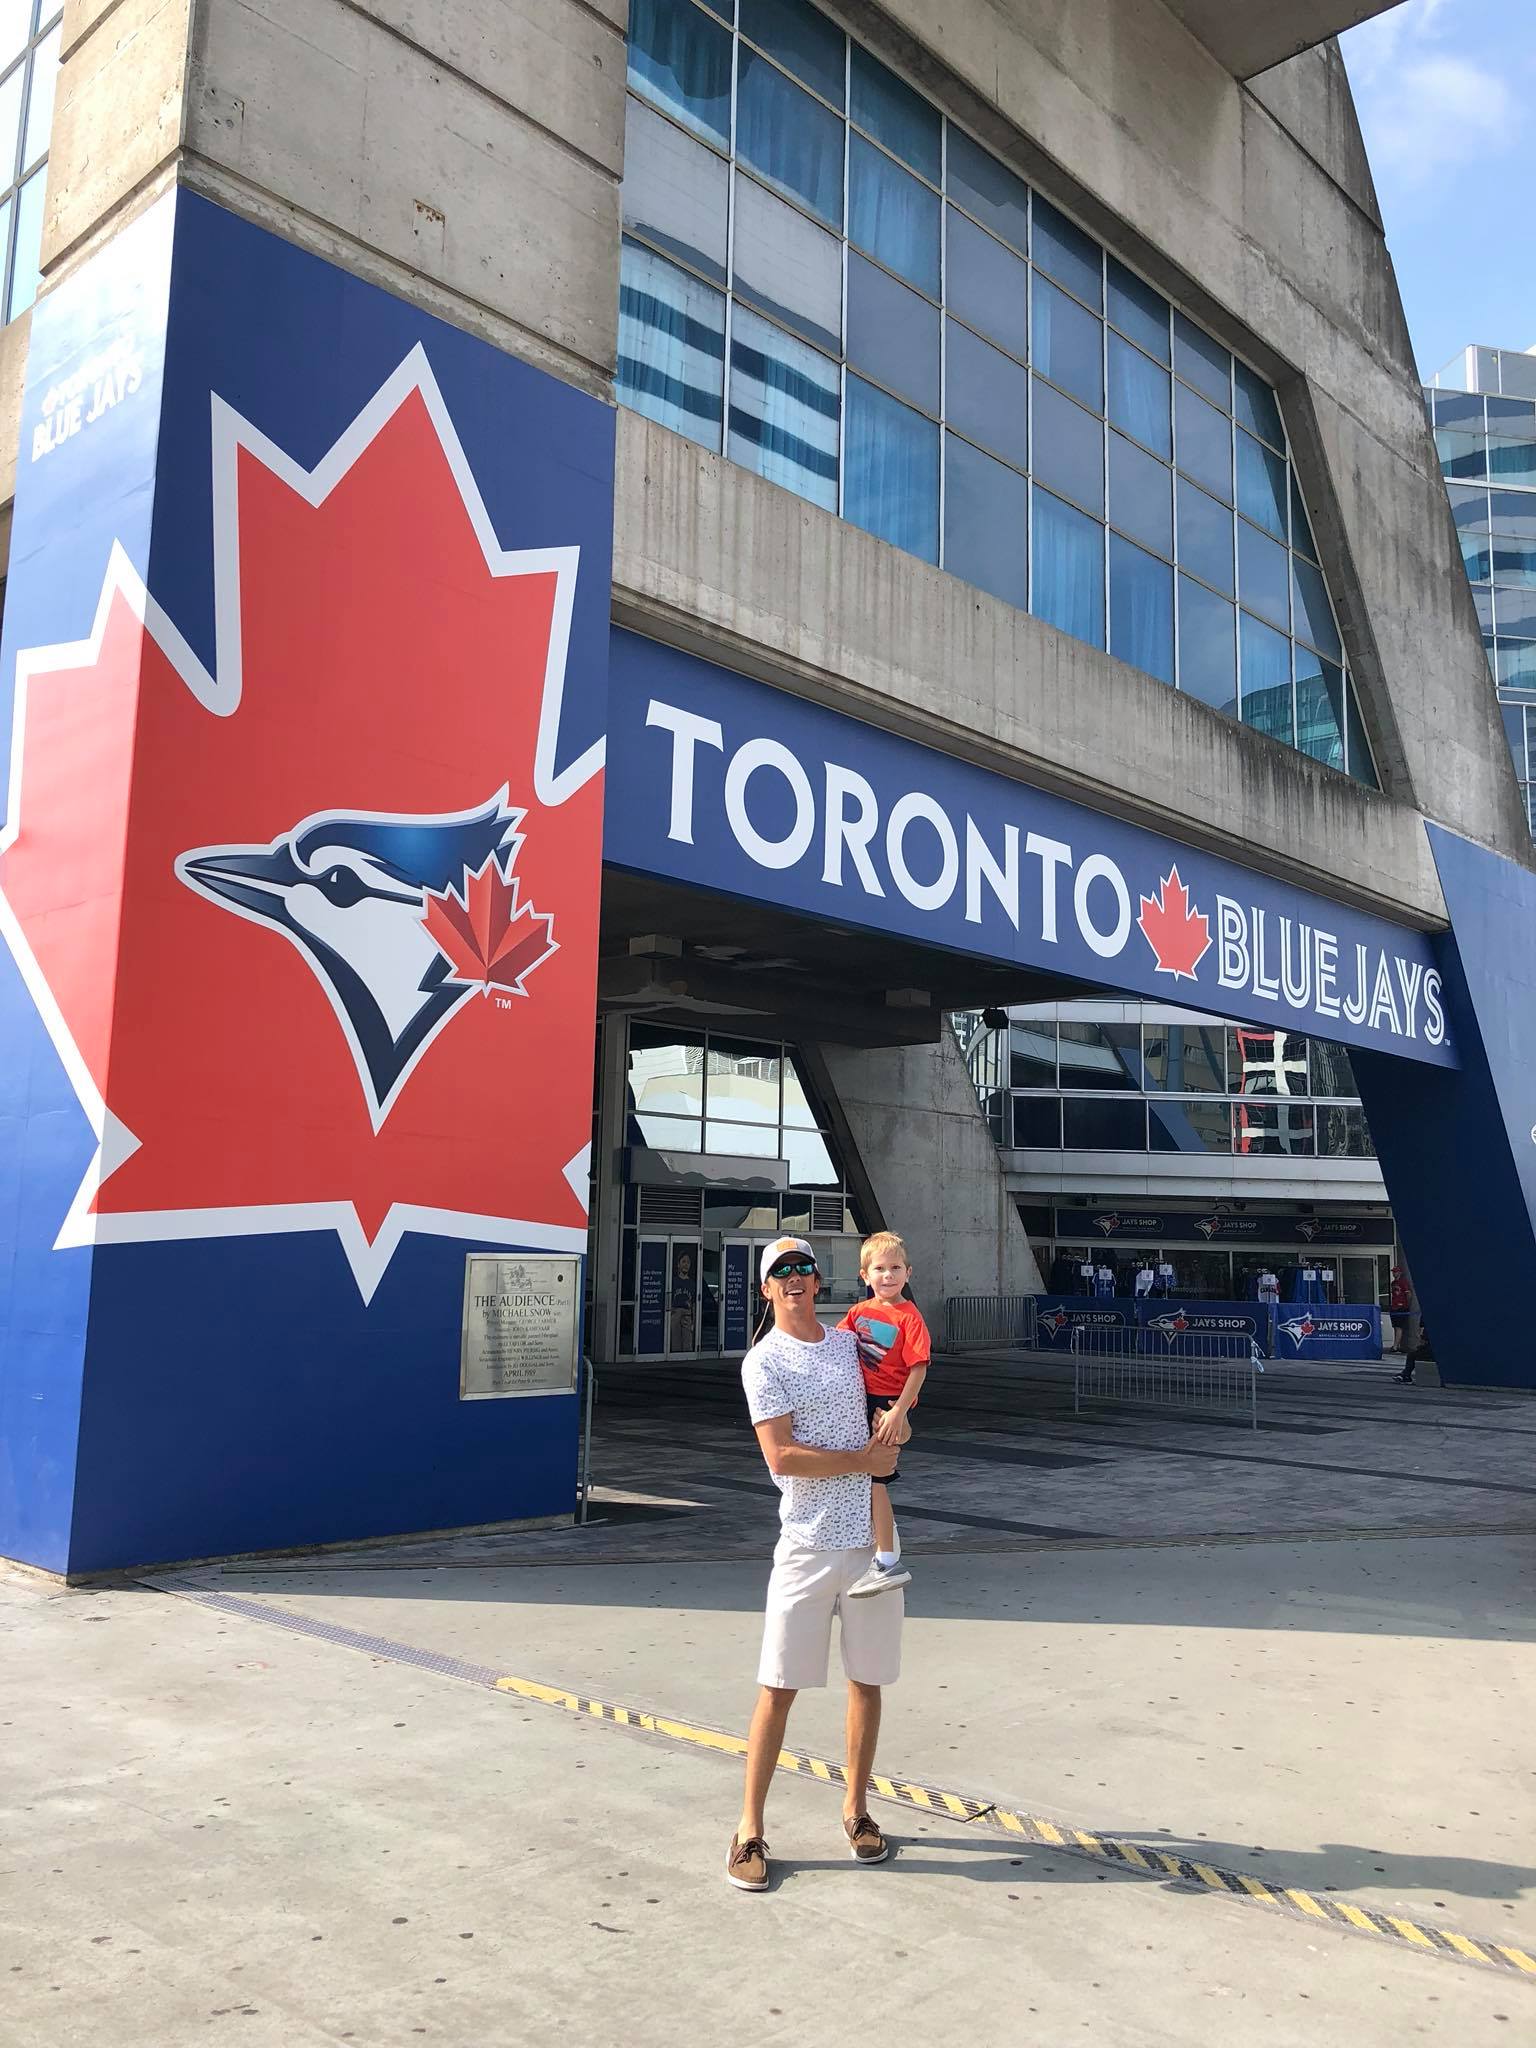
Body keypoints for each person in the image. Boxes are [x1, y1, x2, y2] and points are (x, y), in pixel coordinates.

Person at [729, 1236, 903, 1893]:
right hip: (805, 1546)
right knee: (778, 1687)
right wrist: (861, 1462)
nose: (795, 1278)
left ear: (818, 1280)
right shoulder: (764, 1363)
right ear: (767, 1289)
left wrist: (896, 1428)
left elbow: (882, 1412)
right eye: (781, 1271)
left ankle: (856, 1810)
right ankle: (749, 1828)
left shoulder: (849, 1342)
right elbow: (782, 1457)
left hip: (868, 1545)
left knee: (867, 1680)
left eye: (803, 1267)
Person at [837, 1232, 930, 1601]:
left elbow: (918, 1369)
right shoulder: (858, 1313)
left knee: (877, 1480)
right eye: (879, 1268)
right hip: (862, 1399)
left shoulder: (910, 1318)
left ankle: (888, 1558)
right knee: (860, 1475)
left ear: (908, 1272)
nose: (887, 1275)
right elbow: (837, 1345)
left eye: (895, 1268)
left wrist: (898, 1412)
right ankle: (875, 1546)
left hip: (889, 1399)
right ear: (865, 1275)